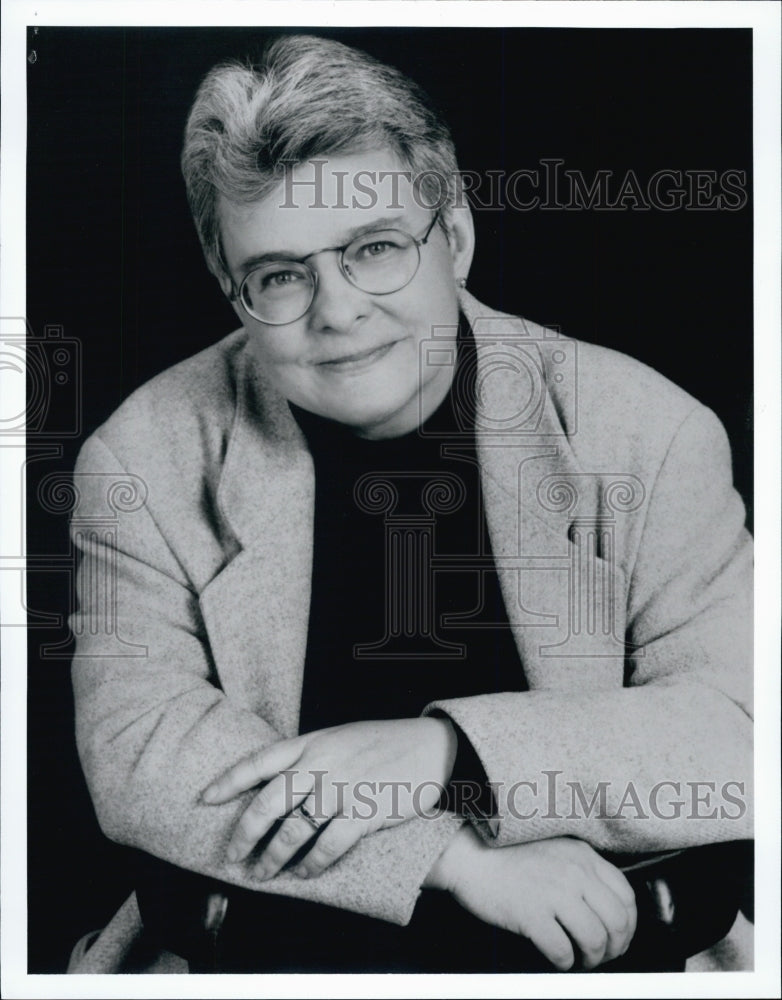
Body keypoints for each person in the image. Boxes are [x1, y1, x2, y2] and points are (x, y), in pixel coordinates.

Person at [68, 34, 753, 974]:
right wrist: (448, 855)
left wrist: (445, 755)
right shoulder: (138, 461)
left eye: (375, 249)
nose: (337, 310)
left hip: (616, 953)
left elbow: (743, 735)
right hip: (265, 953)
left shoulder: (648, 430)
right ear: (234, 292)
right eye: (280, 275)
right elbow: (138, 755)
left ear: (457, 241)